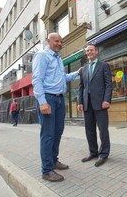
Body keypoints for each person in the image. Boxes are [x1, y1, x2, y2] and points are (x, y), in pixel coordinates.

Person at [32, 32, 80, 182]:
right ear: (48, 41)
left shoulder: (58, 59)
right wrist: (42, 102)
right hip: (48, 99)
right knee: (48, 135)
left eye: (61, 41)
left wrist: (77, 73)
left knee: (57, 133)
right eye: (56, 41)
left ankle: (53, 160)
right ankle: (47, 170)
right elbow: (37, 80)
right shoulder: (42, 56)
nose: (59, 43)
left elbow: (62, 78)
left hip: (59, 100)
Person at [77, 43, 112, 167]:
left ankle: (104, 154)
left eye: (91, 50)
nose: (89, 52)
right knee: (89, 130)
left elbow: (108, 84)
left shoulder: (104, 66)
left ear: (96, 52)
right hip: (87, 103)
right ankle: (93, 152)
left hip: (101, 103)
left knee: (103, 129)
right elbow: (81, 87)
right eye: (87, 50)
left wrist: (107, 99)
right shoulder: (84, 69)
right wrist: (80, 101)